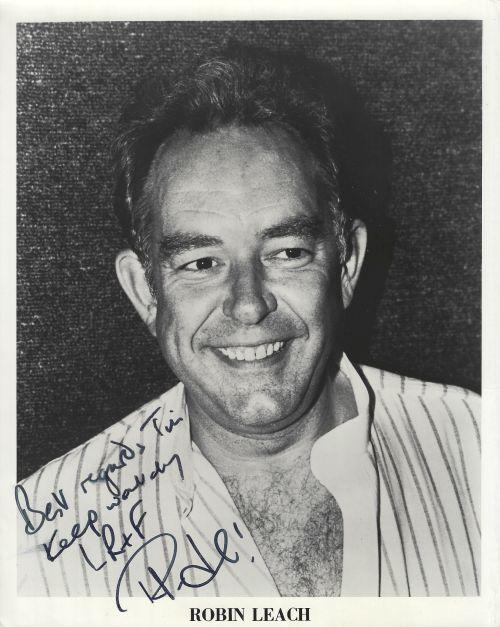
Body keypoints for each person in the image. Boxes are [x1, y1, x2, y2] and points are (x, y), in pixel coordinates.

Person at [16, 43, 480, 602]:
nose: (248, 305)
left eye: (287, 252)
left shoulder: (480, 448)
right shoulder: (29, 546)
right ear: (145, 291)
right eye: (201, 263)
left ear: (347, 264)